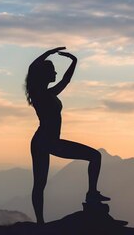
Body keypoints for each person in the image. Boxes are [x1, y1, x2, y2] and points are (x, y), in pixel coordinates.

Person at [25, 46, 110, 224]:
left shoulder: (48, 93)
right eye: (52, 71)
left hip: (49, 142)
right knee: (40, 184)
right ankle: (40, 222)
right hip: (43, 142)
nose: (55, 73)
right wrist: (47, 53)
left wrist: (74, 61)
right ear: (45, 75)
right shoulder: (38, 94)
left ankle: (92, 193)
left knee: (95, 156)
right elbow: (32, 69)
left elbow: (66, 79)